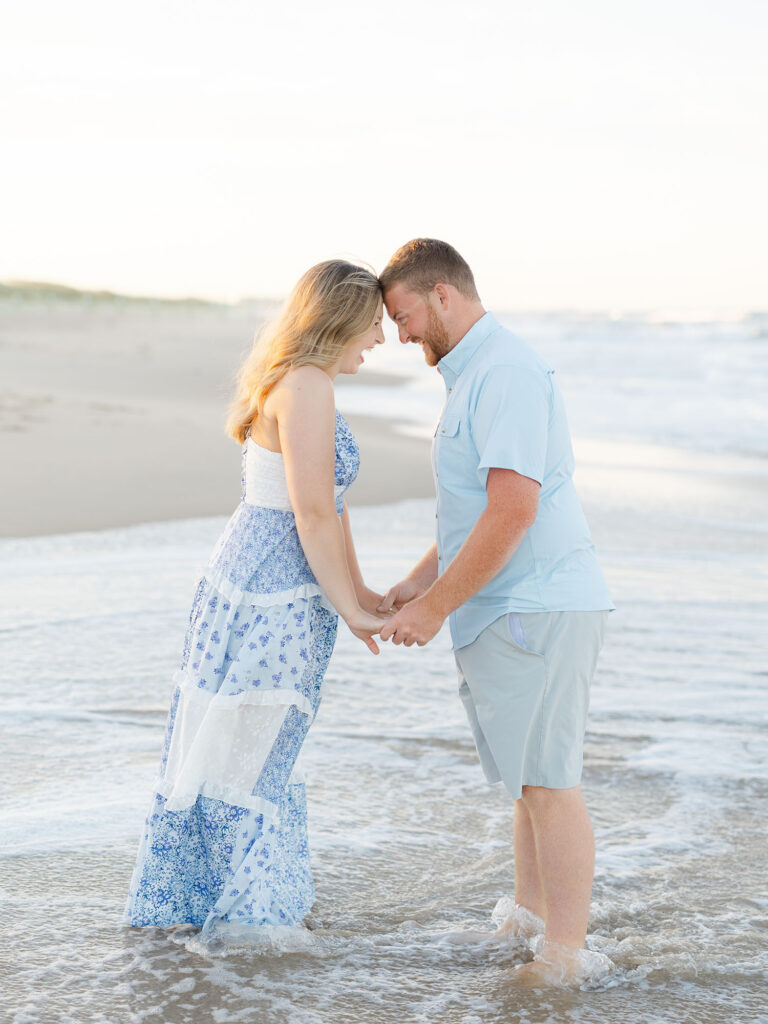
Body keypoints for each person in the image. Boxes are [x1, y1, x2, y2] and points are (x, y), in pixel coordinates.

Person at [125, 260, 385, 941]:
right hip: (269, 588)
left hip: (277, 582)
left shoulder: (308, 383)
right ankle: (234, 923)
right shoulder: (305, 386)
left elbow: (335, 508)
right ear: (341, 319)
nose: (382, 338)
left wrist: (360, 595)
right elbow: (312, 515)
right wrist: (352, 610)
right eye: (375, 322)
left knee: (250, 749)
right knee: (242, 752)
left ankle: (228, 910)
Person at [377, 239, 614, 985]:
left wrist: (438, 608)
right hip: (511, 607)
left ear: (442, 294)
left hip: (535, 606)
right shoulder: (474, 373)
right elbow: (475, 510)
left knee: (549, 779)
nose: (401, 334)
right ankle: (528, 921)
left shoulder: (504, 371)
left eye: (404, 315)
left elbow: (515, 509)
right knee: (526, 780)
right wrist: (420, 583)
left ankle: (564, 958)